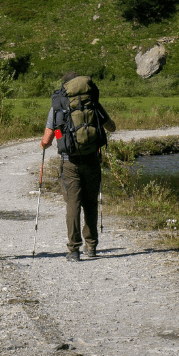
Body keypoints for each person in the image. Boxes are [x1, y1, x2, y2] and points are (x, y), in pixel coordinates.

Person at [41, 73, 116, 261]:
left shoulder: (58, 107)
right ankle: (91, 247)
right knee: (90, 203)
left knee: (73, 204)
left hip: (70, 162)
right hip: (92, 159)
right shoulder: (93, 104)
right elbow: (112, 127)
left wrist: (45, 144)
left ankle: (73, 250)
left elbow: (47, 139)